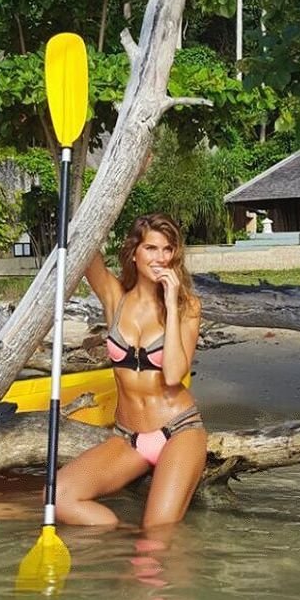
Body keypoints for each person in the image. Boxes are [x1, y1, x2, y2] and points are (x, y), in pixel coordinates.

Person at [55, 213, 207, 529]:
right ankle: (121, 539)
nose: (160, 258)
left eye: (167, 249)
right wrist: (93, 205)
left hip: (178, 431)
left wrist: (170, 303)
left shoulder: (187, 306)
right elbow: (84, 245)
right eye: (151, 248)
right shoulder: (116, 299)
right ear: (134, 253)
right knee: (59, 497)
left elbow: (173, 375)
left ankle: (145, 545)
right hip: (127, 438)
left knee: (156, 534)